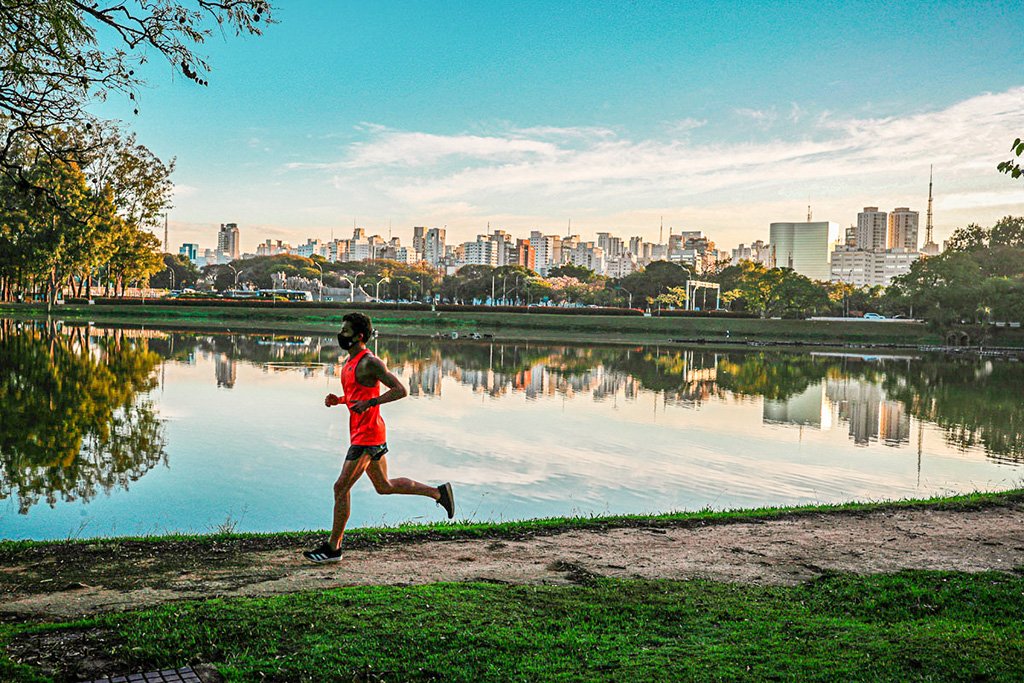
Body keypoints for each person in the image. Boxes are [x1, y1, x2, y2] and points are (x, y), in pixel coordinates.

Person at [303, 312, 455, 563]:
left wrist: (372, 402)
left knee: (341, 487)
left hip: (368, 436)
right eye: (341, 329)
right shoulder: (349, 362)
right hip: (364, 432)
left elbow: (401, 390)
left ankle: (333, 548)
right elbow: (356, 395)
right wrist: (339, 400)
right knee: (384, 486)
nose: (341, 334)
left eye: (346, 331)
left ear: (359, 336)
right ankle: (438, 493)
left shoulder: (370, 362)